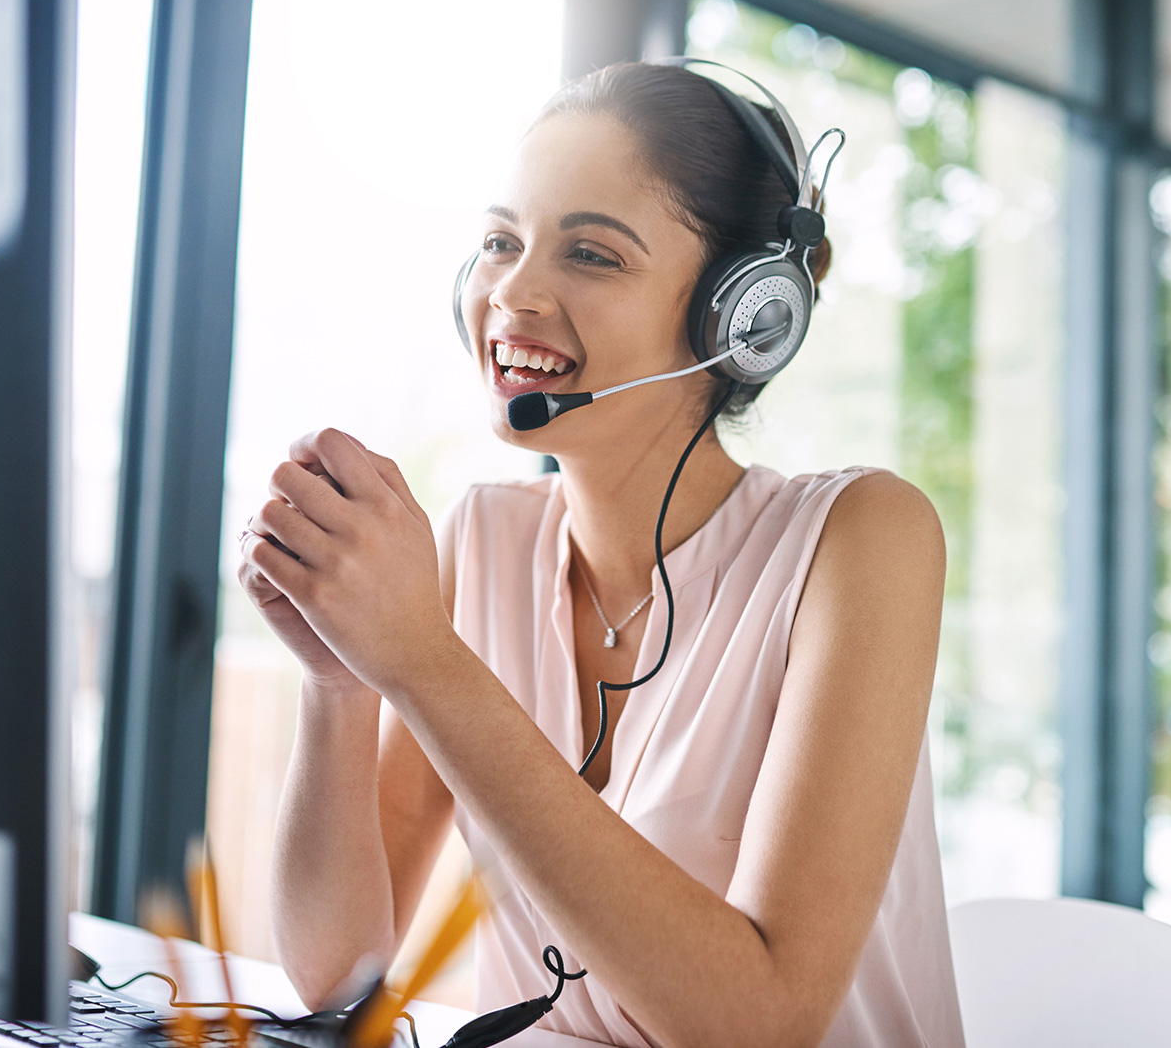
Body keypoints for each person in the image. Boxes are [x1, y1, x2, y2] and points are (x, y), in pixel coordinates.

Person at [237, 61, 965, 1048]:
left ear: (738, 314)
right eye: (500, 242)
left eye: (589, 253)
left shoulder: (861, 540)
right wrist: (340, 682)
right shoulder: (484, 544)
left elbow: (760, 1023)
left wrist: (421, 661)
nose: (513, 292)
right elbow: (333, 973)